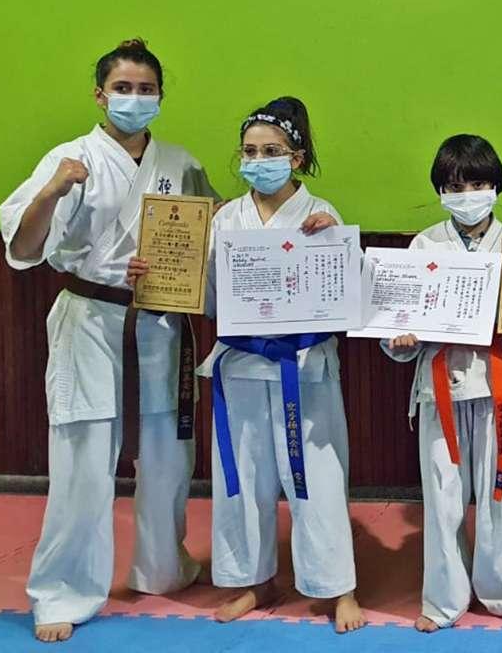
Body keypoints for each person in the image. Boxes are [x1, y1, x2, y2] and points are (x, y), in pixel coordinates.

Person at [0, 39, 215, 643]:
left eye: (147, 89)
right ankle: (62, 591)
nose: (135, 98)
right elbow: (22, 249)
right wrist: (52, 190)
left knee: (168, 456)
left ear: (161, 97)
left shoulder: (180, 162)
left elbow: (209, 237)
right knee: (84, 460)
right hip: (91, 319)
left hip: (161, 323)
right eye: (123, 88)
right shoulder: (70, 158)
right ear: (100, 95)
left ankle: (163, 568)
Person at [149, 97, 364, 632]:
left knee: (318, 477)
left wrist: (333, 245)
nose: (258, 160)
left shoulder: (321, 214)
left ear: (296, 157)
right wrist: (163, 275)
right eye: (250, 151)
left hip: (304, 368)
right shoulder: (226, 218)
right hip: (241, 365)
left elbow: (346, 295)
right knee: (240, 476)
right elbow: (208, 299)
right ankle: (252, 580)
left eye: (272, 151)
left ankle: (338, 588)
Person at [382, 134, 502, 632]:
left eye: (478, 184)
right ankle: (443, 597)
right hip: (440, 382)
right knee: (441, 495)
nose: (467, 195)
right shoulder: (424, 245)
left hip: (501, 380)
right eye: (455, 186)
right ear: (440, 191)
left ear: (496, 186)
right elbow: (398, 322)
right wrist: (399, 339)